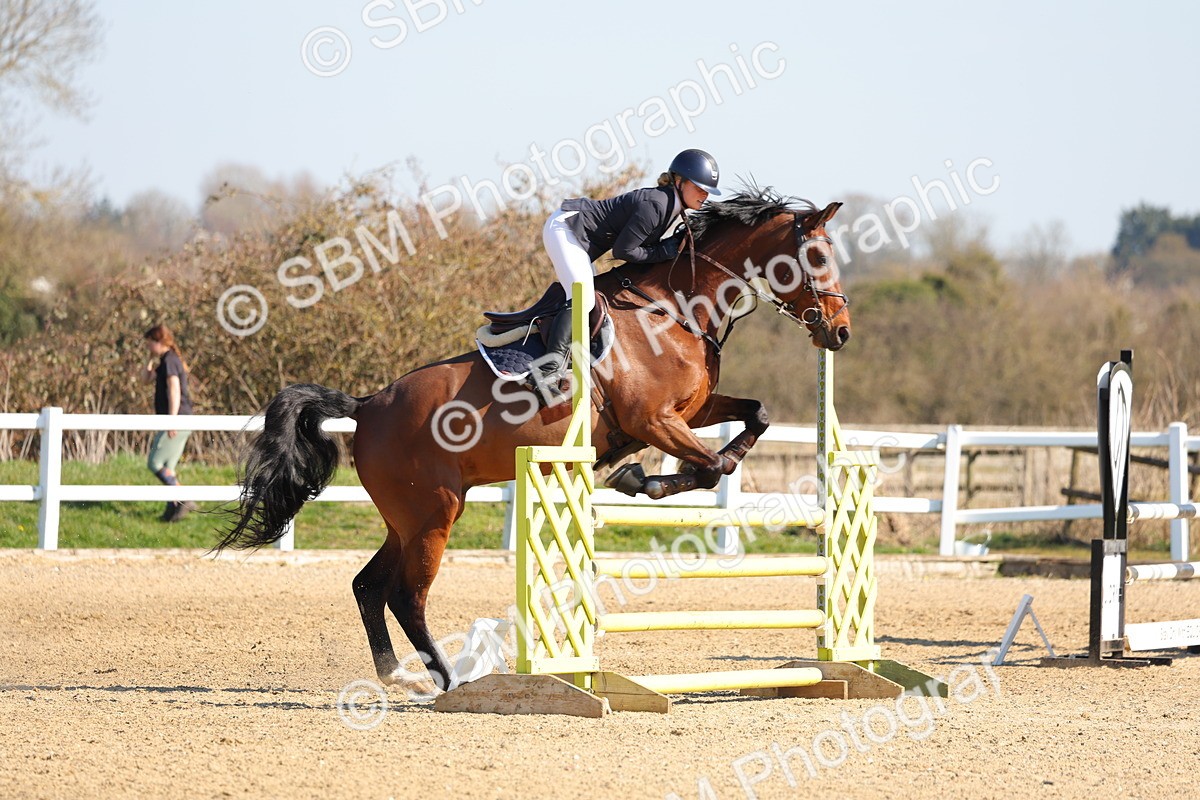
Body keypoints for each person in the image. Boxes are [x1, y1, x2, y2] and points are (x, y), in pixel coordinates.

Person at [529, 148, 722, 397]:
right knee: (584, 298)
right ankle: (547, 371)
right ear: (679, 181)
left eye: (708, 191)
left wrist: (664, 250)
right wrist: (664, 251)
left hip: (578, 237)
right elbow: (625, 251)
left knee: (589, 298)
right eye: (699, 187)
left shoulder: (670, 207)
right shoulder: (657, 204)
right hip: (566, 229)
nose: (704, 194)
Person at [141, 324, 195, 522]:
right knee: (168, 468)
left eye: (149, 343)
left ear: (158, 341)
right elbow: (145, 380)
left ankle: (184, 499)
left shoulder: (170, 360)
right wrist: (149, 360)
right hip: (179, 419)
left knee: (155, 463)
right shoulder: (165, 361)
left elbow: (174, 390)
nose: (147, 347)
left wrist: (172, 420)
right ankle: (173, 509)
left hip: (177, 419)